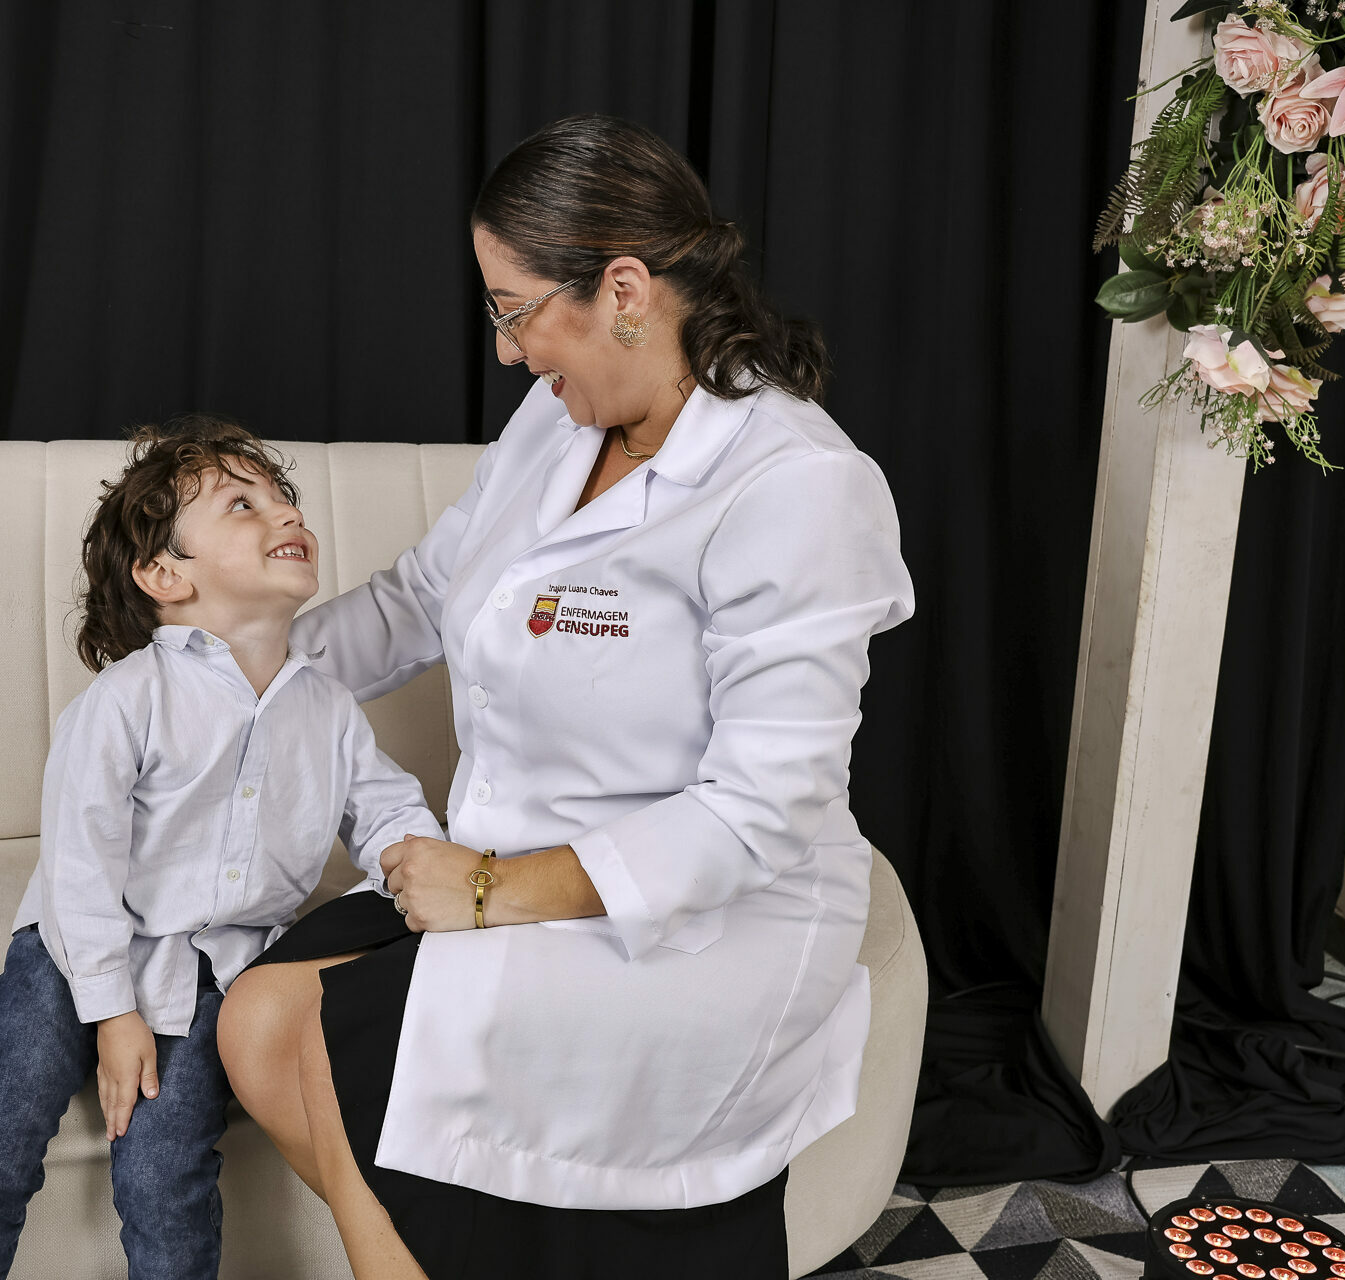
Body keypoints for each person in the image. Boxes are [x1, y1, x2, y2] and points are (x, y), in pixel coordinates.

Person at [216, 113, 918, 1280]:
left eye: (514, 309)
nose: (506, 350)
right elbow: (422, 596)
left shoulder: (797, 487)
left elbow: (761, 812)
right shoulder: (558, 416)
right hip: (512, 865)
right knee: (253, 1021)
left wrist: (491, 888)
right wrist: (236, 673)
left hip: (698, 918)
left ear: (625, 290)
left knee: (346, 1038)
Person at [0, 415, 441, 1280]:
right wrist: (112, 1013)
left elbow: (391, 818)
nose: (285, 513)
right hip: (78, 944)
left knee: (169, 1182)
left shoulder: (330, 710)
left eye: (284, 498)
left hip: (216, 972)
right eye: (242, 504)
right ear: (166, 575)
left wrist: (433, 871)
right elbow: (81, 861)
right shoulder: (129, 697)